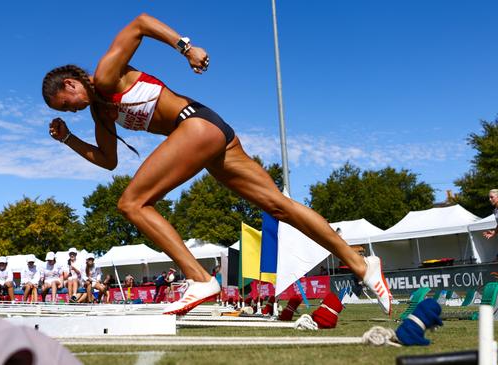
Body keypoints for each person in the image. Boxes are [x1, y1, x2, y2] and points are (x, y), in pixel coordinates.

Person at [42, 14, 391, 315]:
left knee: (131, 204)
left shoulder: (105, 75)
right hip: (210, 131)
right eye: (66, 112)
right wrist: (69, 138)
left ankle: (200, 279)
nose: (72, 110)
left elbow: (141, 23)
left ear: (71, 83)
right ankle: (363, 264)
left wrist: (186, 48)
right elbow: (107, 161)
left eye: (67, 103)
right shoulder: (100, 113)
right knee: (279, 206)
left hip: (193, 125)